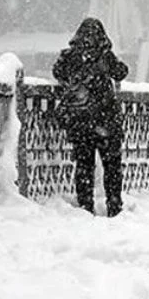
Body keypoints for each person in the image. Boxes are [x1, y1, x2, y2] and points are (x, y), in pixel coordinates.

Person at [53, 18, 128, 217]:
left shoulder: (70, 56)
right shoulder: (105, 56)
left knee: (84, 166)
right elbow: (121, 73)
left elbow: (57, 72)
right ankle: (114, 205)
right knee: (112, 166)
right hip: (106, 121)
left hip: (81, 122)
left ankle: (86, 206)